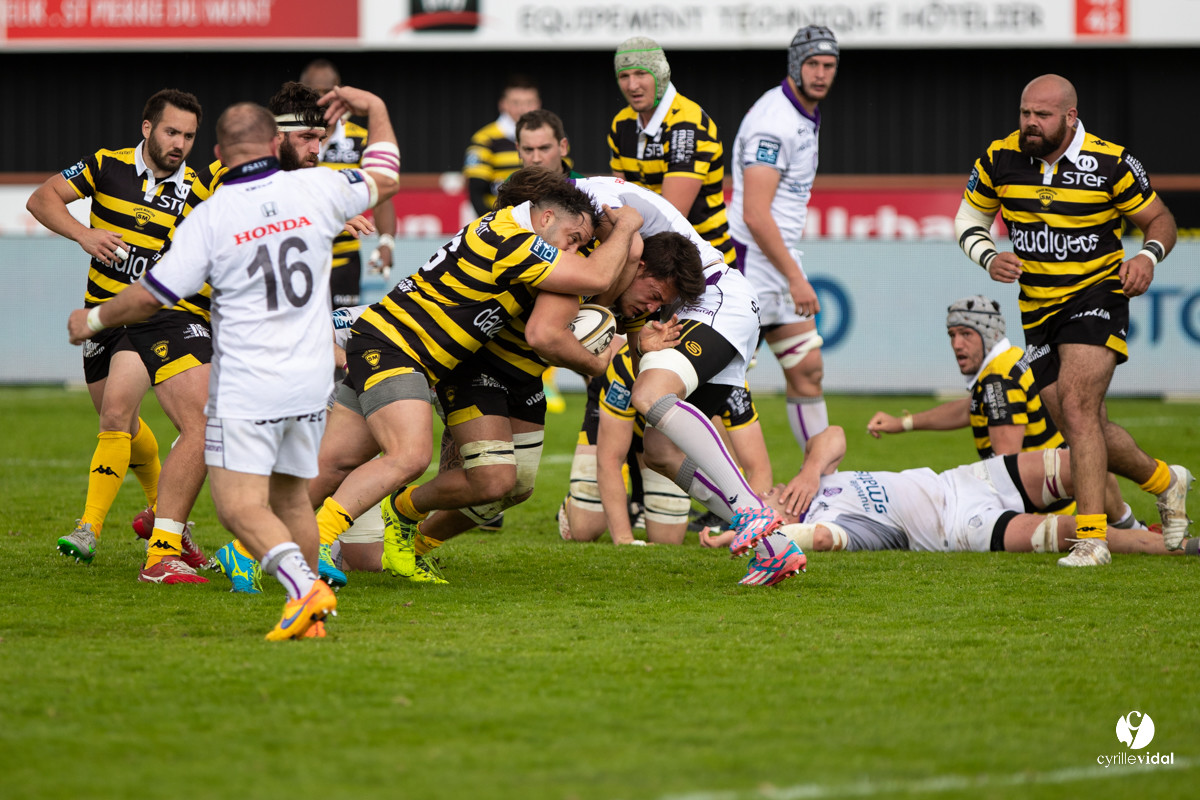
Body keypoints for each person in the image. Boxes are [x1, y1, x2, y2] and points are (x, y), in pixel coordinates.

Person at [67, 87, 401, 639]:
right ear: (274, 142)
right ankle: (304, 613)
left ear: (220, 153)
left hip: (250, 378)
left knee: (239, 506)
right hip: (300, 374)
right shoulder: (316, 189)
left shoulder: (219, 213)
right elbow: (385, 173)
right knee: (288, 495)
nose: (315, 147)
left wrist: (95, 319)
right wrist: (377, 109)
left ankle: (299, 587)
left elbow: (152, 294)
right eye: (306, 137)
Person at [308, 169, 645, 563]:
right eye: (573, 239)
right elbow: (596, 276)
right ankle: (320, 540)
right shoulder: (513, 240)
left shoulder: (504, 228)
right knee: (410, 457)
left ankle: (251, 550)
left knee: (334, 465)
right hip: (397, 347)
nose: (571, 250)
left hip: (401, 348)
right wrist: (627, 227)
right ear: (546, 217)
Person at [955, 73, 1193, 566]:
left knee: (1079, 407)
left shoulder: (1111, 162)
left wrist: (1147, 256)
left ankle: (1092, 540)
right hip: (1038, 308)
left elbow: (1160, 220)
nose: (1030, 123)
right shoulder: (999, 158)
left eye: (1042, 115)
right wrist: (987, 255)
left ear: (1070, 116)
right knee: (1078, 421)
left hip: (1097, 294)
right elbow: (968, 220)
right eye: (1025, 113)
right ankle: (1165, 480)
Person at [28, 88, 218, 582]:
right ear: (147, 128)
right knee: (125, 428)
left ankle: (89, 528)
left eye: (189, 136)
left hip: (152, 320)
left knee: (116, 412)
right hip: (102, 317)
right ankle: (171, 524)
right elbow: (41, 198)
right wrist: (84, 234)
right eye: (172, 132)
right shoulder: (105, 165)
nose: (180, 144)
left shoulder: (198, 188)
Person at [703, 427, 1198, 565]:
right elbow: (817, 539)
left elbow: (832, 435)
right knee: (1075, 530)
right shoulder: (832, 525)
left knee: (1081, 458)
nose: (762, 493)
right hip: (961, 529)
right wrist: (749, 537)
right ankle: (1177, 546)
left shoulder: (808, 485)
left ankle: (1135, 519)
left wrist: (811, 471)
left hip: (963, 481)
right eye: (758, 505)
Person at [866, 295, 1144, 527]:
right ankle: (1131, 525)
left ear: (989, 335)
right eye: (952, 335)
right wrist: (903, 423)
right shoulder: (1010, 359)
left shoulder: (997, 381)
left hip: (1043, 512)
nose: (956, 344)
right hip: (1061, 493)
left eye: (966, 334)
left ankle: (1138, 521)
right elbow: (970, 408)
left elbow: (1006, 468)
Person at [727, 25, 839, 451]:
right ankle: (723, 486)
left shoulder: (802, 112)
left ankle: (821, 481)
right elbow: (755, 214)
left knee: (808, 370)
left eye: (829, 65)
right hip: (751, 266)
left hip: (776, 259)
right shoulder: (773, 122)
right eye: (813, 64)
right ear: (795, 65)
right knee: (725, 385)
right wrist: (795, 277)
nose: (821, 74)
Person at [558, 338, 772, 546]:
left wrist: (744, 529)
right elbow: (610, 458)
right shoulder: (627, 366)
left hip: (660, 443)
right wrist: (624, 539)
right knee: (585, 529)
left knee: (667, 538)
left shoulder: (730, 382)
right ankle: (573, 503)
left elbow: (758, 468)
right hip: (613, 426)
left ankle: (637, 503)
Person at [608, 36, 734, 266]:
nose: (632, 85)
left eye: (641, 73)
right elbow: (619, 197)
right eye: (624, 76)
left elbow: (670, 217)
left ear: (661, 74)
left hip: (705, 260)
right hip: (653, 258)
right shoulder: (621, 123)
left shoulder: (687, 124)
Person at [299, 59, 399, 307]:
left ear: (339, 92)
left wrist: (386, 242)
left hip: (344, 261)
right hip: (299, 257)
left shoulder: (360, 139)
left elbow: (380, 193)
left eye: (327, 92)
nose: (321, 99)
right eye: (314, 92)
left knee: (341, 328)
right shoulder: (289, 139)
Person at [514, 108, 586, 415]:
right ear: (518, 150)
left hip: (581, 306)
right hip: (519, 315)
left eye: (544, 148)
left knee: (604, 380)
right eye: (528, 149)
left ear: (563, 147)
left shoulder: (587, 192)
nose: (536, 157)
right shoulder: (511, 196)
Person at [464, 75, 541, 216]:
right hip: (498, 218)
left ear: (538, 104)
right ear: (503, 104)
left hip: (541, 220)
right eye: (516, 103)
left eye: (529, 102)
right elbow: (476, 191)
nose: (523, 109)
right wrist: (493, 224)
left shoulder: (552, 137)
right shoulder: (485, 138)